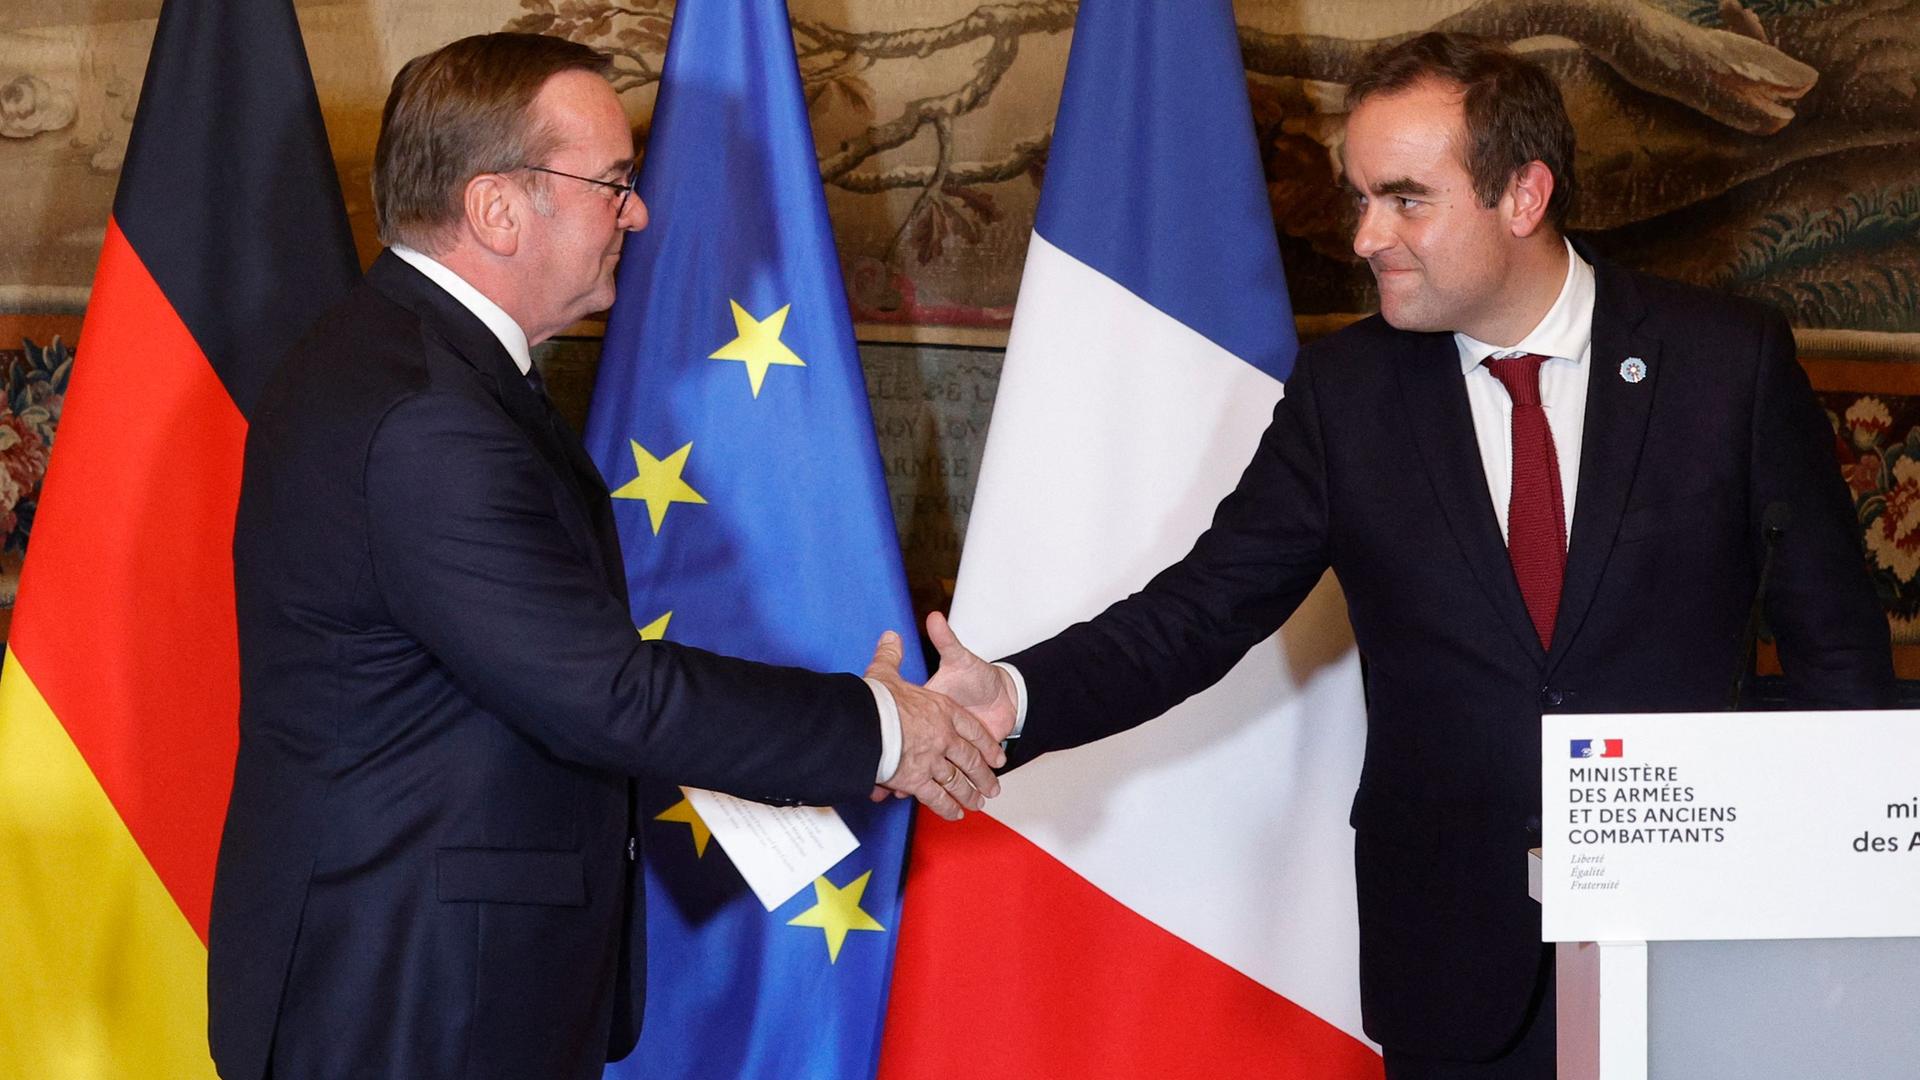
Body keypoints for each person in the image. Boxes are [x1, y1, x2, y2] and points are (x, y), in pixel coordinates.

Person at [923, 31, 1895, 1080]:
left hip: (1700, 952)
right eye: (1359, 198)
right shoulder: (1349, 395)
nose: (1365, 236)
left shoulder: (1725, 363)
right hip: (1455, 965)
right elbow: (1198, 613)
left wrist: (1851, 914)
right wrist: (1014, 699)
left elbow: (1837, 659)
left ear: (1523, 195)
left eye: (1405, 199)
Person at [206, 33, 1001, 1080]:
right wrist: (883, 728)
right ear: (497, 209)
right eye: (612, 183)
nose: (637, 212)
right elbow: (606, 693)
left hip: (439, 979)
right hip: (409, 998)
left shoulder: (416, 361)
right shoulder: (423, 414)